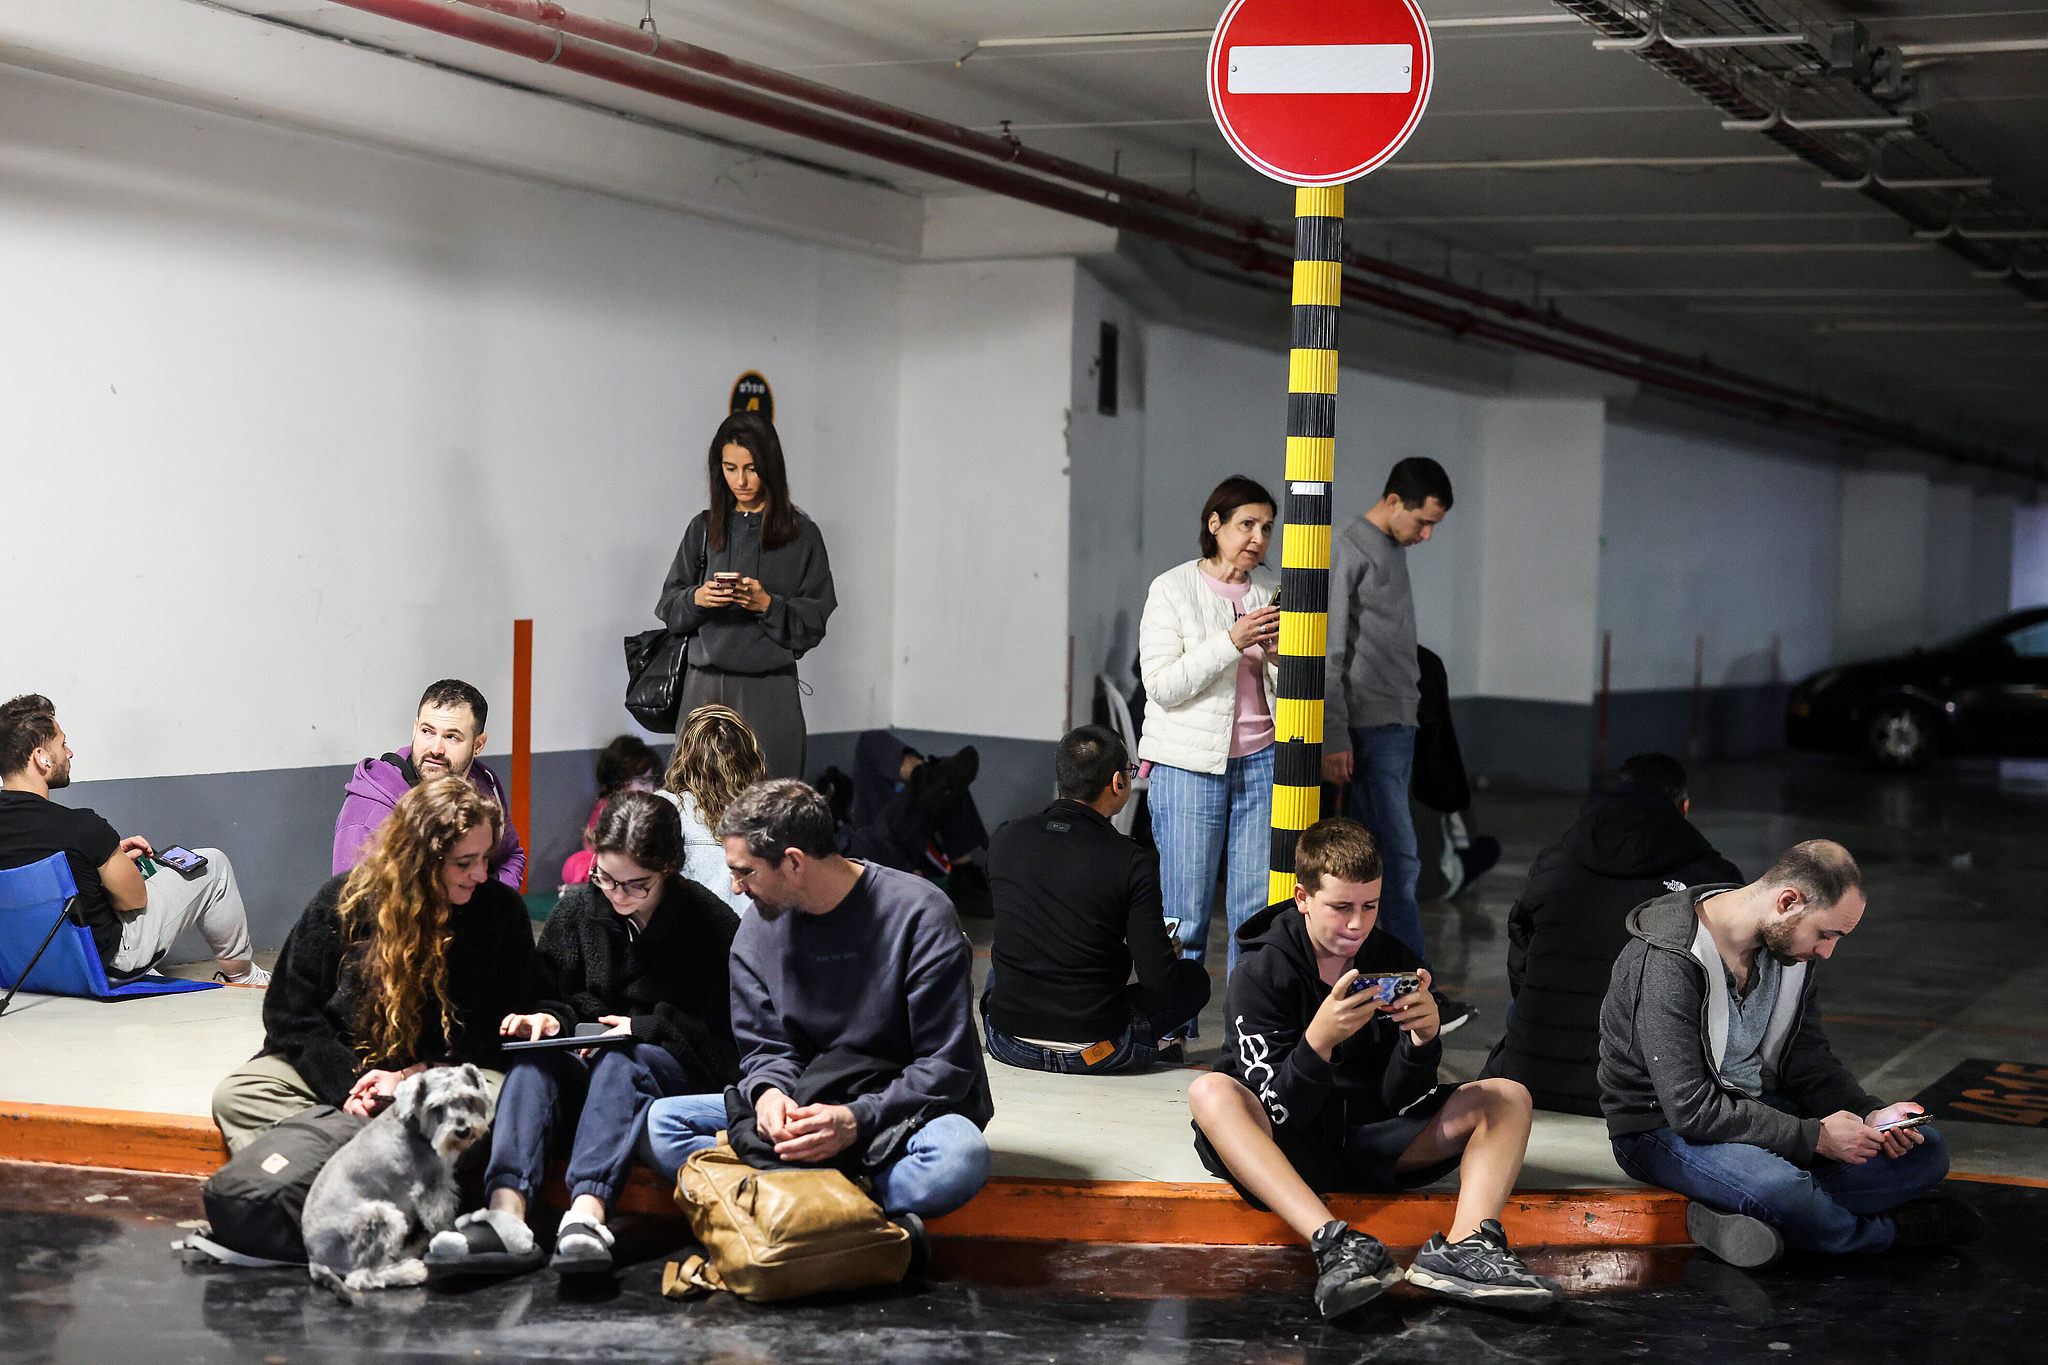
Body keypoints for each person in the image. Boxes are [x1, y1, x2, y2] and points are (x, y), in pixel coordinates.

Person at [1188, 818, 1563, 1319]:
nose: (1356, 924)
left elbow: (1398, 1101)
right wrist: (1318, 1042)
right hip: (1289, 1151)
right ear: (1302, 898)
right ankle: (1333, 1244)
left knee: (1508, 1095)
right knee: (1211, 1092)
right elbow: (1279, 1112)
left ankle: (1467, 1247)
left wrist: (1422, 1041)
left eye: (1370, 906)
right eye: (1340, 907)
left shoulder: (1390, 960)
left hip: (1369, 1139)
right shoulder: (1262, 970)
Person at [1600, 839, 1982, 1266]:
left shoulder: (1788, 950)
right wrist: (1815, 1137)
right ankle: (1885, 1233)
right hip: (1663, 1130)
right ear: (1788, 902)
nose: (1826, 951)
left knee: (1926, 1150)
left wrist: (1870, 1114)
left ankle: (1753, 1211)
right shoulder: (1667, 959)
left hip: (1757, 1109)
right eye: (1825, 934)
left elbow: (1808, 1062)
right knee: (1783, 1189)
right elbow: (1690, 1110)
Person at [643, 779, 992, 1228]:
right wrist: (769, 1096)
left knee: (960, 1157)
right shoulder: (755, 931)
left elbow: (945, 1065)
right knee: (661, 1123)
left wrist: (854, 1119)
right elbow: (766, 1050)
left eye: (745, 871)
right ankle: (849, 1216)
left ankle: (792, 1207)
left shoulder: (919, 915)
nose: (734, 888)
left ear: (793, 863)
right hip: (804, 1103)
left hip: (898, 1110)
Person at [429, 793, 740, 1277]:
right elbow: (549, 991)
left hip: (661, 1067)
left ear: (670, 869)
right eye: (606, 877)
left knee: (624, 1061)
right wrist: (546, 1019)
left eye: (637, 886)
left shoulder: (711, 926)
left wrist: (644, 1029)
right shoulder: (578, 909)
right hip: (586, 1056)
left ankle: (588, 1216)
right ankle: (505, 1214)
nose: (617, 895)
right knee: (533, 1061)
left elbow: (727, 1044)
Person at [212, 778, 561, 1152]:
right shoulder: (345, 900)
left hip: (444, 1076)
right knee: (237, 1095)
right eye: (465, 862)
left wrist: (414, 1079)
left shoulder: (500, 911)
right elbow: (290, 1013)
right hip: (352, 1069)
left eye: (485, 859)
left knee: (493, 1105)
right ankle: (374, 1147)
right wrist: (352, 1086)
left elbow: (502, 1023)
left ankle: (342, 1150)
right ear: (422, 858)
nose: (480, 873)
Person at [1481, 753, 1741, 1116]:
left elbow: (1520, 965)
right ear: (1683, 808)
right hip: (1636, 1098)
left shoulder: (1553, 862)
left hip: (1528, 1081)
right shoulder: (1712, 878)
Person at [1320, 457, 1473, 1034]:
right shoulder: (1351, 549)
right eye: (1423, 521)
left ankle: (1385, 997)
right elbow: (1331, 651)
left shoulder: (1392, 550)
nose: (1426, 535)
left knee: (1380, 868)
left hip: (1396, 728)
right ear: (1393, 501)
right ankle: (1415, 991)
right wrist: (1335, 735)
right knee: (1399, 863)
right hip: (1366, 731)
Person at [982, 726, 1210, 1074]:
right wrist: (1147, 948)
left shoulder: (1006, 837)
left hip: (1008, 1042)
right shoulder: (1129, 859)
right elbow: (1158, 979)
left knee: (1003, 968)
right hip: (1095, 1049)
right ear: (1118, 783)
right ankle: (1157, 1045)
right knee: (1193, 979)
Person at [0, 694, 265, 986]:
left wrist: (97, 865)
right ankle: (244, 977)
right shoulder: (81, 826)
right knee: (213, 864)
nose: (70, 752)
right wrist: (110, 865)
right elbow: (133, 900)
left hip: (22, 966)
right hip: (101, 964)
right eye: (62, 744)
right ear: (41, 758)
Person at [1138, 475, 1279, 985]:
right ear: (1214, 524)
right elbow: (1162, 685)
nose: (1257, 538)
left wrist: (1283, 659)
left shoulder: (1269, 590)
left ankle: (1252, 1027)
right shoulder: (1172, 588)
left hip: (1262, 762)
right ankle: (1175, 1029)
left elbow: (1292, 690)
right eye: (1246, 524)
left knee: (1255, 914)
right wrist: (1231, 641)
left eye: (1266, 527)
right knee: (1184, 911)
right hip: (1188, 767)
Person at [655, 411, 837, 780]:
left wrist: (766, 604)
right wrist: (700, 598)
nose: (741, 480)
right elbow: (668, 606)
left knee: (769, 813)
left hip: (770, 692)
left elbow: (815, 620)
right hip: (703, 690)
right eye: (730, 467)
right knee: (699, 812)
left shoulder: (802, 534)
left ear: (771, 467)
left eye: (752, 468)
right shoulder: (703, 528)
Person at [333, 679, 526, 889]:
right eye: (427, 731)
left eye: (451, 737)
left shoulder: (483, 785)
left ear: (477, 745)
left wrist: (494, 905)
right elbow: (357, 908)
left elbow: (510, 856)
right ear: (415, 728)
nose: (436, 749)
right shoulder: (372, 812)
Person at [832, 731, 992, 919]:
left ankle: (924, 774)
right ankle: (925, 774)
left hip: (890, 849)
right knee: (942, 779)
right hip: (872, 849)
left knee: (944, 782)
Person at [658, 704, 765, 915]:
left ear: (684, 757)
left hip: (698, 937)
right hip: (757, 934)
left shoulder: (666, 808)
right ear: (748, 758)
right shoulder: (768, 809)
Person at [560, 736, 661, 887]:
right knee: (577, 863)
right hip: (609, 863)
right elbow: (591, 846)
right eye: (641, 781)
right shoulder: (606, 806)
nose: (649, 788)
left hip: (640, 865)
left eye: (652, 781)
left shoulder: (654, 807)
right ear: (619, 782)